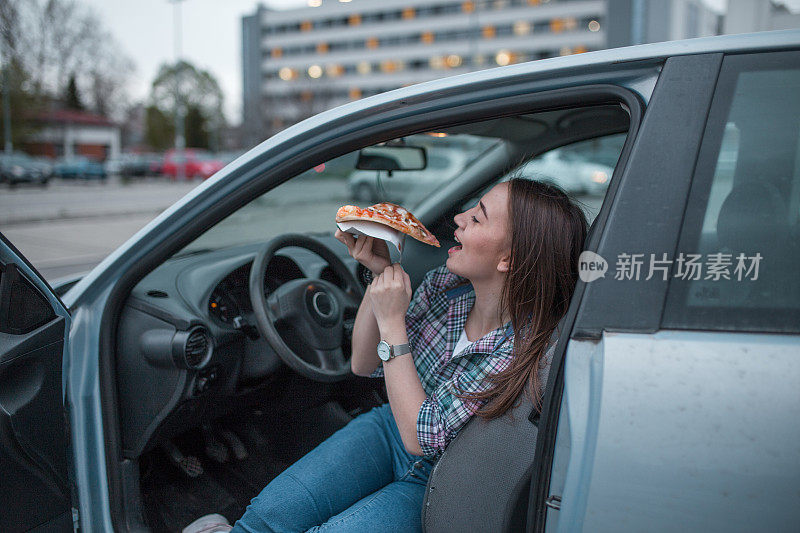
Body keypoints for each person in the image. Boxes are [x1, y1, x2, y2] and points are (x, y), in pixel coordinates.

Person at [183, 178, 587, 533]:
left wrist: (393, 321)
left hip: (443, 475)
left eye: (477, 218)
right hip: (388, 426)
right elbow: (362, 363)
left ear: (508, 259)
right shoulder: (446, 286)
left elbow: (419, 438)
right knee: (269, 514)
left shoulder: (522, 346)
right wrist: (380, 274)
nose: (459, 218)